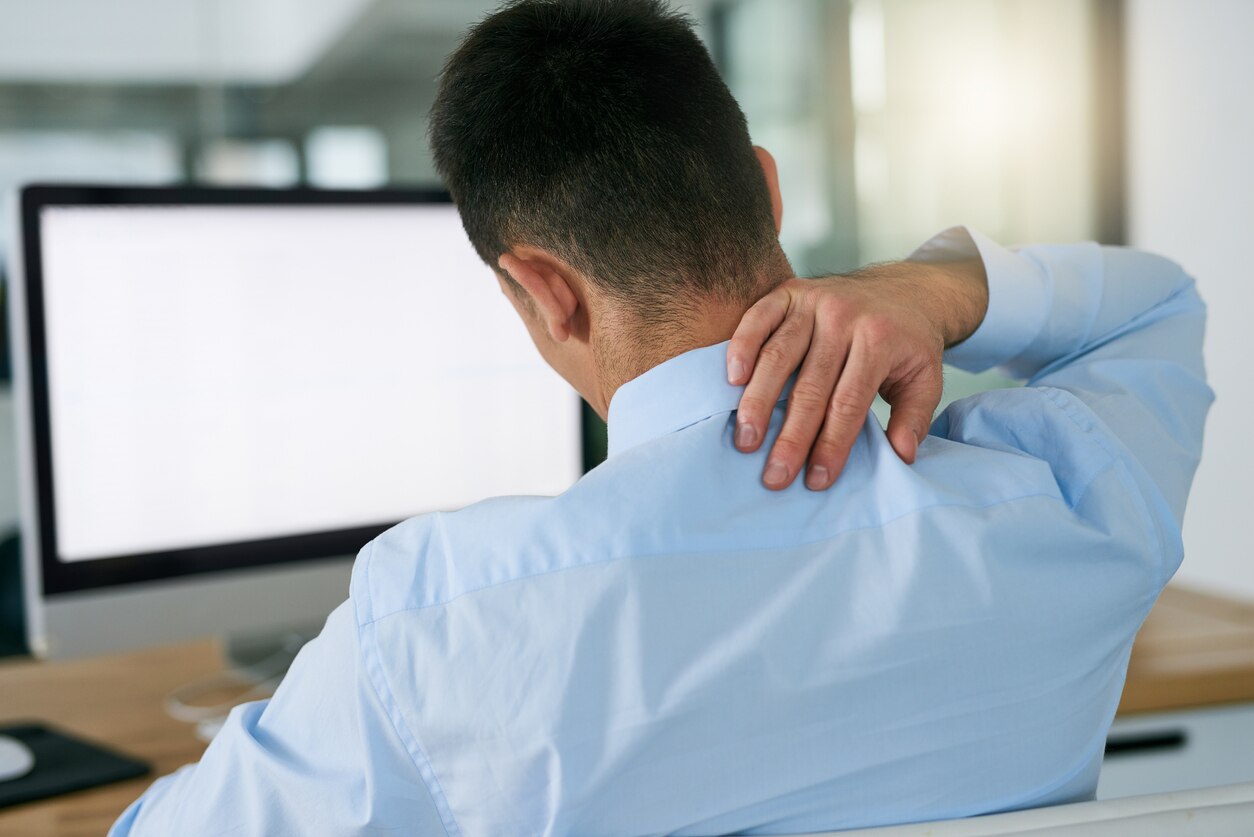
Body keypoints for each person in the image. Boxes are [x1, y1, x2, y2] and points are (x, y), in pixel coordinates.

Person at [110, 1, 1212, 835]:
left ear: (544, 289)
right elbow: (1156, 305)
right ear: (769, 192)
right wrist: (932, 290)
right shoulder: (1061, 508)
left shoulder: (440, 626)